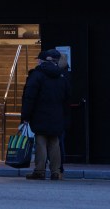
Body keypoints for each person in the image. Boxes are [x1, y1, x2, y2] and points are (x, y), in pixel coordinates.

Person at [20, 48, 70, 181]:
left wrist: (25, 116)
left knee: (41, 141)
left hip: (40, 114)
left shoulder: (37, 75)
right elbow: (66, 97)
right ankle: (56, 171)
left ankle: (39, 170)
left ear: (41, 61)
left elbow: (29, 97)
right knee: (54, 142)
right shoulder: (61, 76)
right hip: (57, 114)